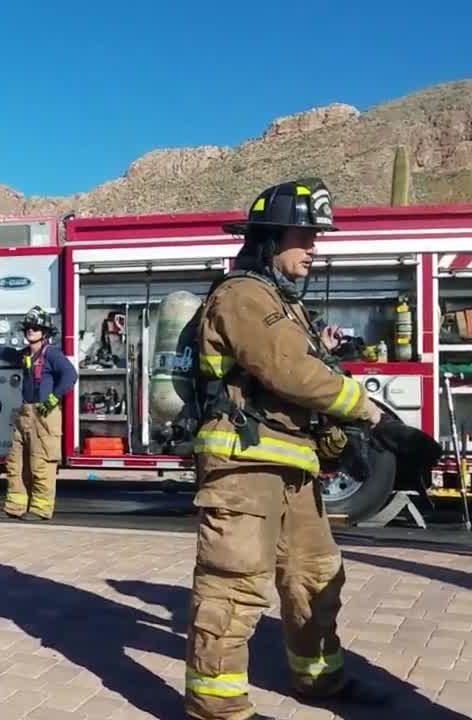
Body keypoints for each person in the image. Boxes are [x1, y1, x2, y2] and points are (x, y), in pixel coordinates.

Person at [184, 178, 390, 720]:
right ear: (270, 239)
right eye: (304, 236)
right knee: (235, 585)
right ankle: (217, 706)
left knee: (316, 575)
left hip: (293, 464)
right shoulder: (243, 295)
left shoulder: (283, 303)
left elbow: (308, 371)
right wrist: (370, 411)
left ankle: (319, 680)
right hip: (244, 465)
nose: (314, 248)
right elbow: (291, 371)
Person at [0, 305, 77, 520]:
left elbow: (70, 375)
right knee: (15, 462)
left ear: (45, 332)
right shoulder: (27, 355)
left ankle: (40, 509)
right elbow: (9, 353)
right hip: (25, 414)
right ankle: (15, 507)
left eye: (36, 327)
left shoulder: (52, 355)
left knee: (41, 463)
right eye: (28, 327)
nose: (31, 330)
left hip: (44, 416)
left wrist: (54, 397)